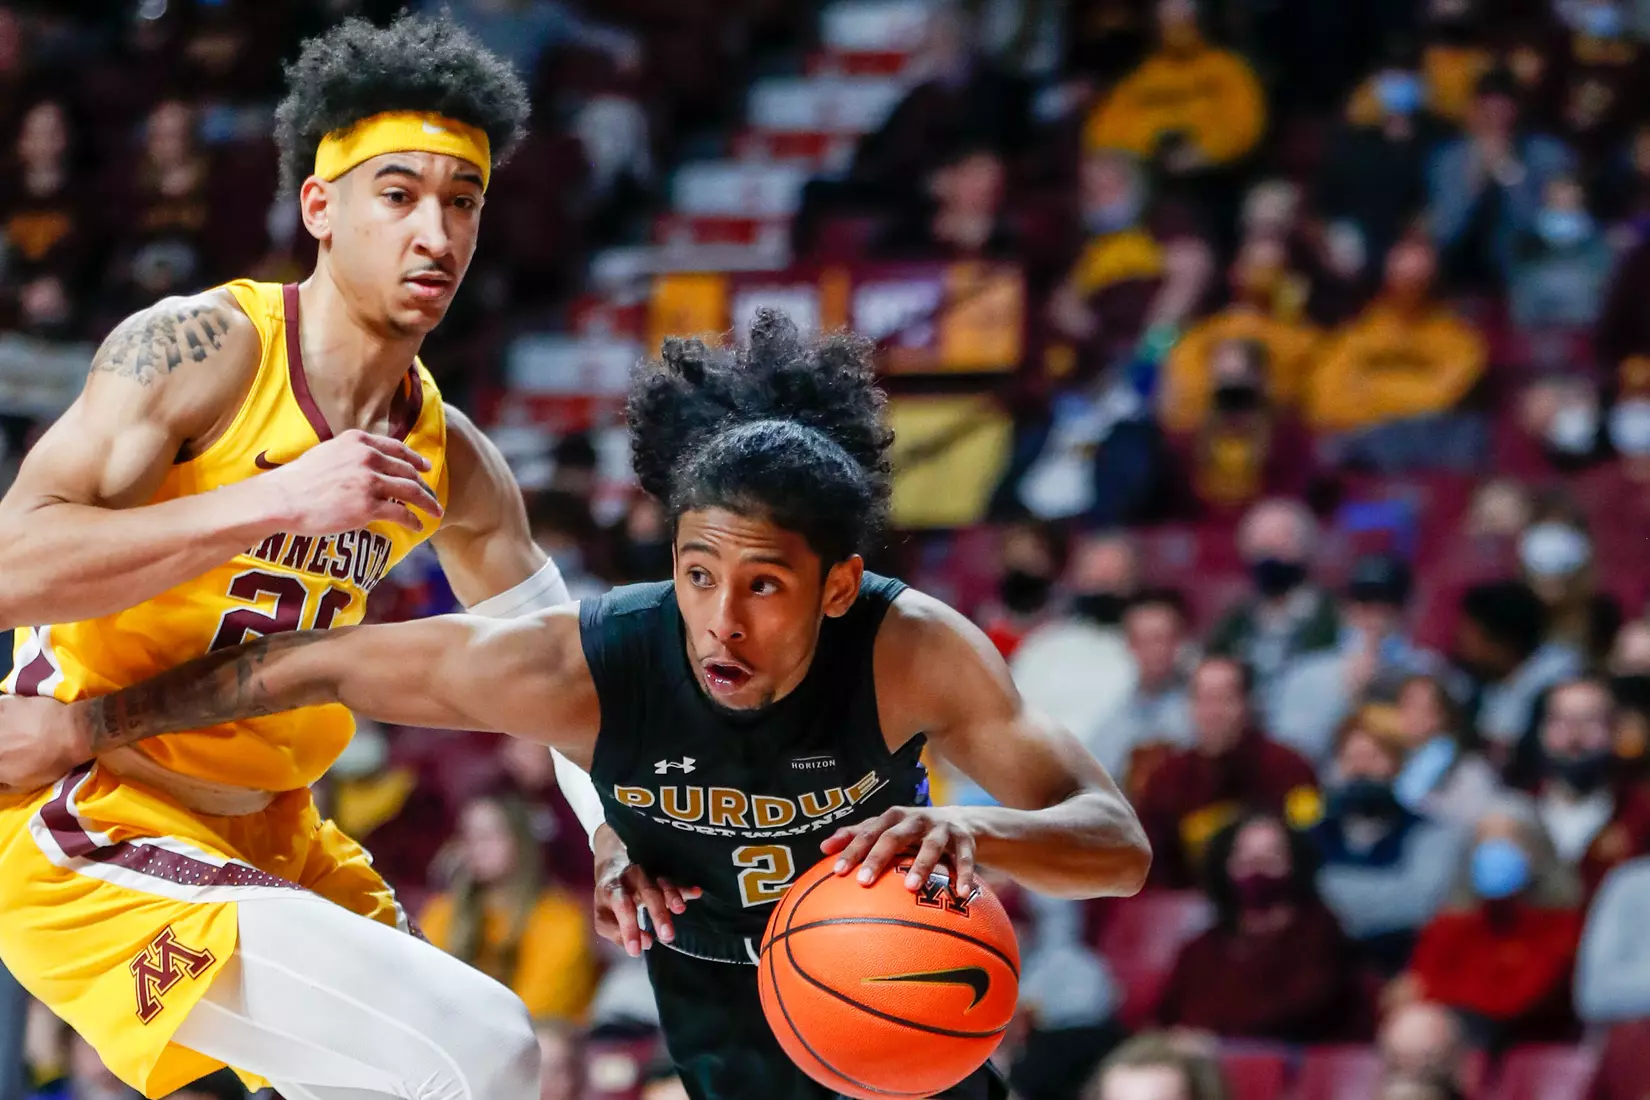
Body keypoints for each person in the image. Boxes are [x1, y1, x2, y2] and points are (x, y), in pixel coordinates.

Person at [0, 309, 1153, 1100]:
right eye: (700, 575)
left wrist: (977, 827)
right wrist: (87, 726)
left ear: (837, 585)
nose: (722, 620)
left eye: (764, 584)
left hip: (908, 1018)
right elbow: (317, 663)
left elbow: (1118, 843)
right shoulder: (597, 659)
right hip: (731, 1029)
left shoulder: (911, 650)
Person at [0, 14, 620, 1100]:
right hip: (88, 809)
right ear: (319, 208)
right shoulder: (199, 349)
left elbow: (553, 665)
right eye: (399, 193)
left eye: (460, 201)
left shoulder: (452, 457)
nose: (435, 232)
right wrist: (268, 500)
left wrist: (616, 831)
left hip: (278, 833)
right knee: (487, 1050)